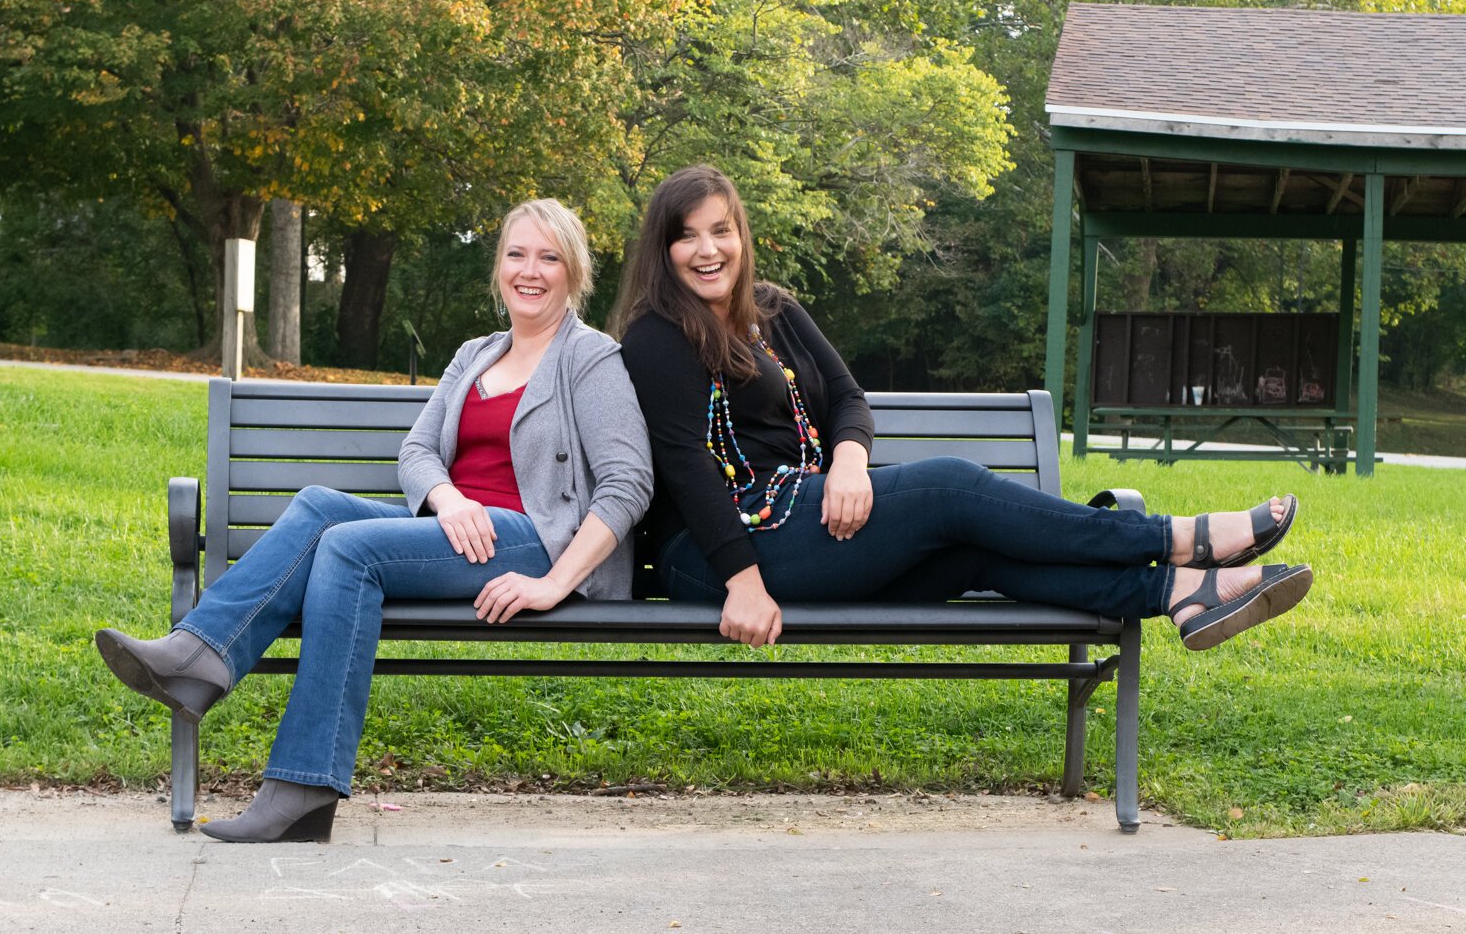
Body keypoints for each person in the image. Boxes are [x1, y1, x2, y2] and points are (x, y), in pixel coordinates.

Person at [96, 198, 651, 843]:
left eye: (549, 257)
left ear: (574, 272)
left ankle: (302, 785)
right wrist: (448, 499)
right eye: (517, 254)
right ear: (498, 266)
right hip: (459, 528)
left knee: (348, 550)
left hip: (535, 541)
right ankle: (198, 658)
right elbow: (416, 451)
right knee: (316, 506)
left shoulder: (591, 358)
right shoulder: (476, 354)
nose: (531, 270)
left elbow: (627, 483)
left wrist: (554, 583)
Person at [618, 164, 1311, 651]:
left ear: (741, 233)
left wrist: (851, 464)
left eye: (721, 229)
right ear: (665, 248)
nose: (708, 249)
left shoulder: (772, 308)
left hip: (805, 516)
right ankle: (1176, 538)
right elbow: (685, 467)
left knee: (972, 554)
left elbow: (849, 400)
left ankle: (1176, 594)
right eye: (687, 235)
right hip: (721, 551)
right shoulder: (658, 335)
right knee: (949, 487)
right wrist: (741, 584)